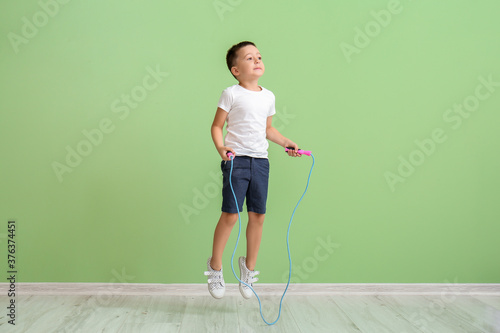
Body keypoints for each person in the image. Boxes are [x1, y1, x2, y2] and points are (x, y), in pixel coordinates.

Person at [204, 41, 301, 299]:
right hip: (236, 161)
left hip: (260, 162)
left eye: (259, 56)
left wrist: (286, 142)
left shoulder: (268, 96)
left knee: (258, 216)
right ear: (236, 70)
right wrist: (220, 147)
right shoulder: (231, 93)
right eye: (249, 58)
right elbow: (216, 126)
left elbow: (268, 130)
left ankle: (249, 270)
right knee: (231, 216)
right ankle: (215, 267)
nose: (257, 60)